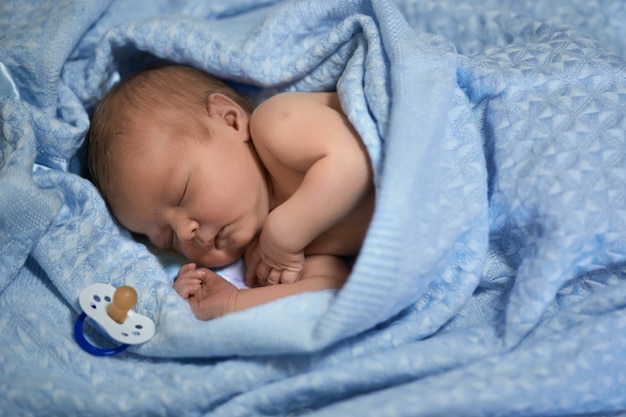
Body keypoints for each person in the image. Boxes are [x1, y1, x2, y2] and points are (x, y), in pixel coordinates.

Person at [87, 65, 375, 319]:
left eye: (181, 193)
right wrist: (234, 302)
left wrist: (286, 231)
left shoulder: (275, 124)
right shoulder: (265, 252)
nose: (186, 232)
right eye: (168, 237)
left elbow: (354, 161)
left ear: (231, 120)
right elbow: (330, 287)